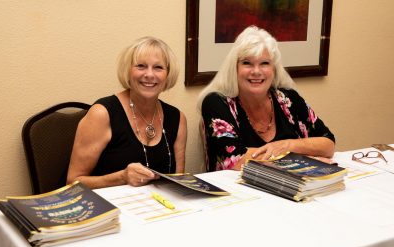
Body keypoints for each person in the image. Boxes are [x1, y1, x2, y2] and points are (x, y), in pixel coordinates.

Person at [200, 26, 335, 172]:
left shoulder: (289, 99)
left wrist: (287, 145)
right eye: (247, 63)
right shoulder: (216, 102)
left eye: (264, 63)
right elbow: (234, 160)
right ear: (235, 68)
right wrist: (303, 155)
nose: (256, 71)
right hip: (236, 191)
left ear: (274, 68)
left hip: (290, 187)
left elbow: (328, 144)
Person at [67, 36, 187, 188]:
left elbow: (179, 182)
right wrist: (122, 177)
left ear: (168, 74)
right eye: (141, 66)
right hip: (106, 208)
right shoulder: (102, 114)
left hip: (157, 207)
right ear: (128, 71)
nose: (149, 74)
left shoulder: (177, 119)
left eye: (158, 67)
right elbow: (72, 182)